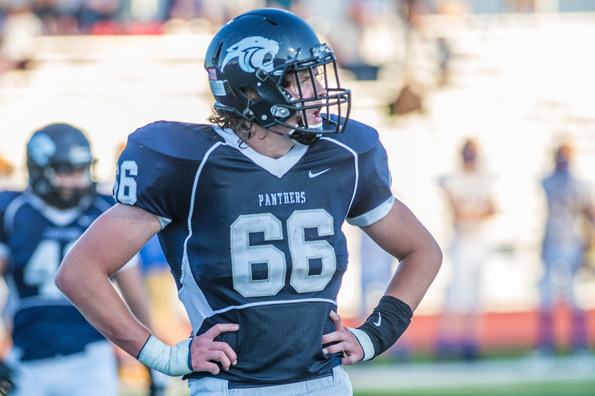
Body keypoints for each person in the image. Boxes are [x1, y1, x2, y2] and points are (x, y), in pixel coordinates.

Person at [56, 8, 442, 395]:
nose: (320, 91)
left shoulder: (343, 154)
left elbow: (422, 251)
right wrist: (162, 356)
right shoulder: (188, 162)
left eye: (317, 76)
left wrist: (376, 334)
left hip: (325, 384)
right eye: (303, 79)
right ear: (253, 91)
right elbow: (80, 272)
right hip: (232, 386)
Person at [0, 123, 165, 396]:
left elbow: (135, 296)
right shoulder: (10, 212)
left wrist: (152, 363)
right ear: (39, 169)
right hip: (28, 358)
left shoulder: (104, 210)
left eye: (83, 169)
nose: (80, 180)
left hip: (91, 360)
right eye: (67, 171)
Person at [435, 138, 495, 361]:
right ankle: (446, 343)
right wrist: (476, 211)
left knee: (476, 297)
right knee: (456, 295)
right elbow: (458, 212)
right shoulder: (454, 179)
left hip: (479, 242)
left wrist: (472, 211)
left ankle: (471, 344)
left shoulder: (483, 179)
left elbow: (493, 208)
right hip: (462, 242)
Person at [537, 142, 594, 356]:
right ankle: (546, 346)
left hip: (572, 243)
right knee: (546, 296)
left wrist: (589, 241)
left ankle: (579, 346)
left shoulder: (579, 185)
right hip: (553, 242)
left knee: (575, 296)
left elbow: (590, 212)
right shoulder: (548, 182)